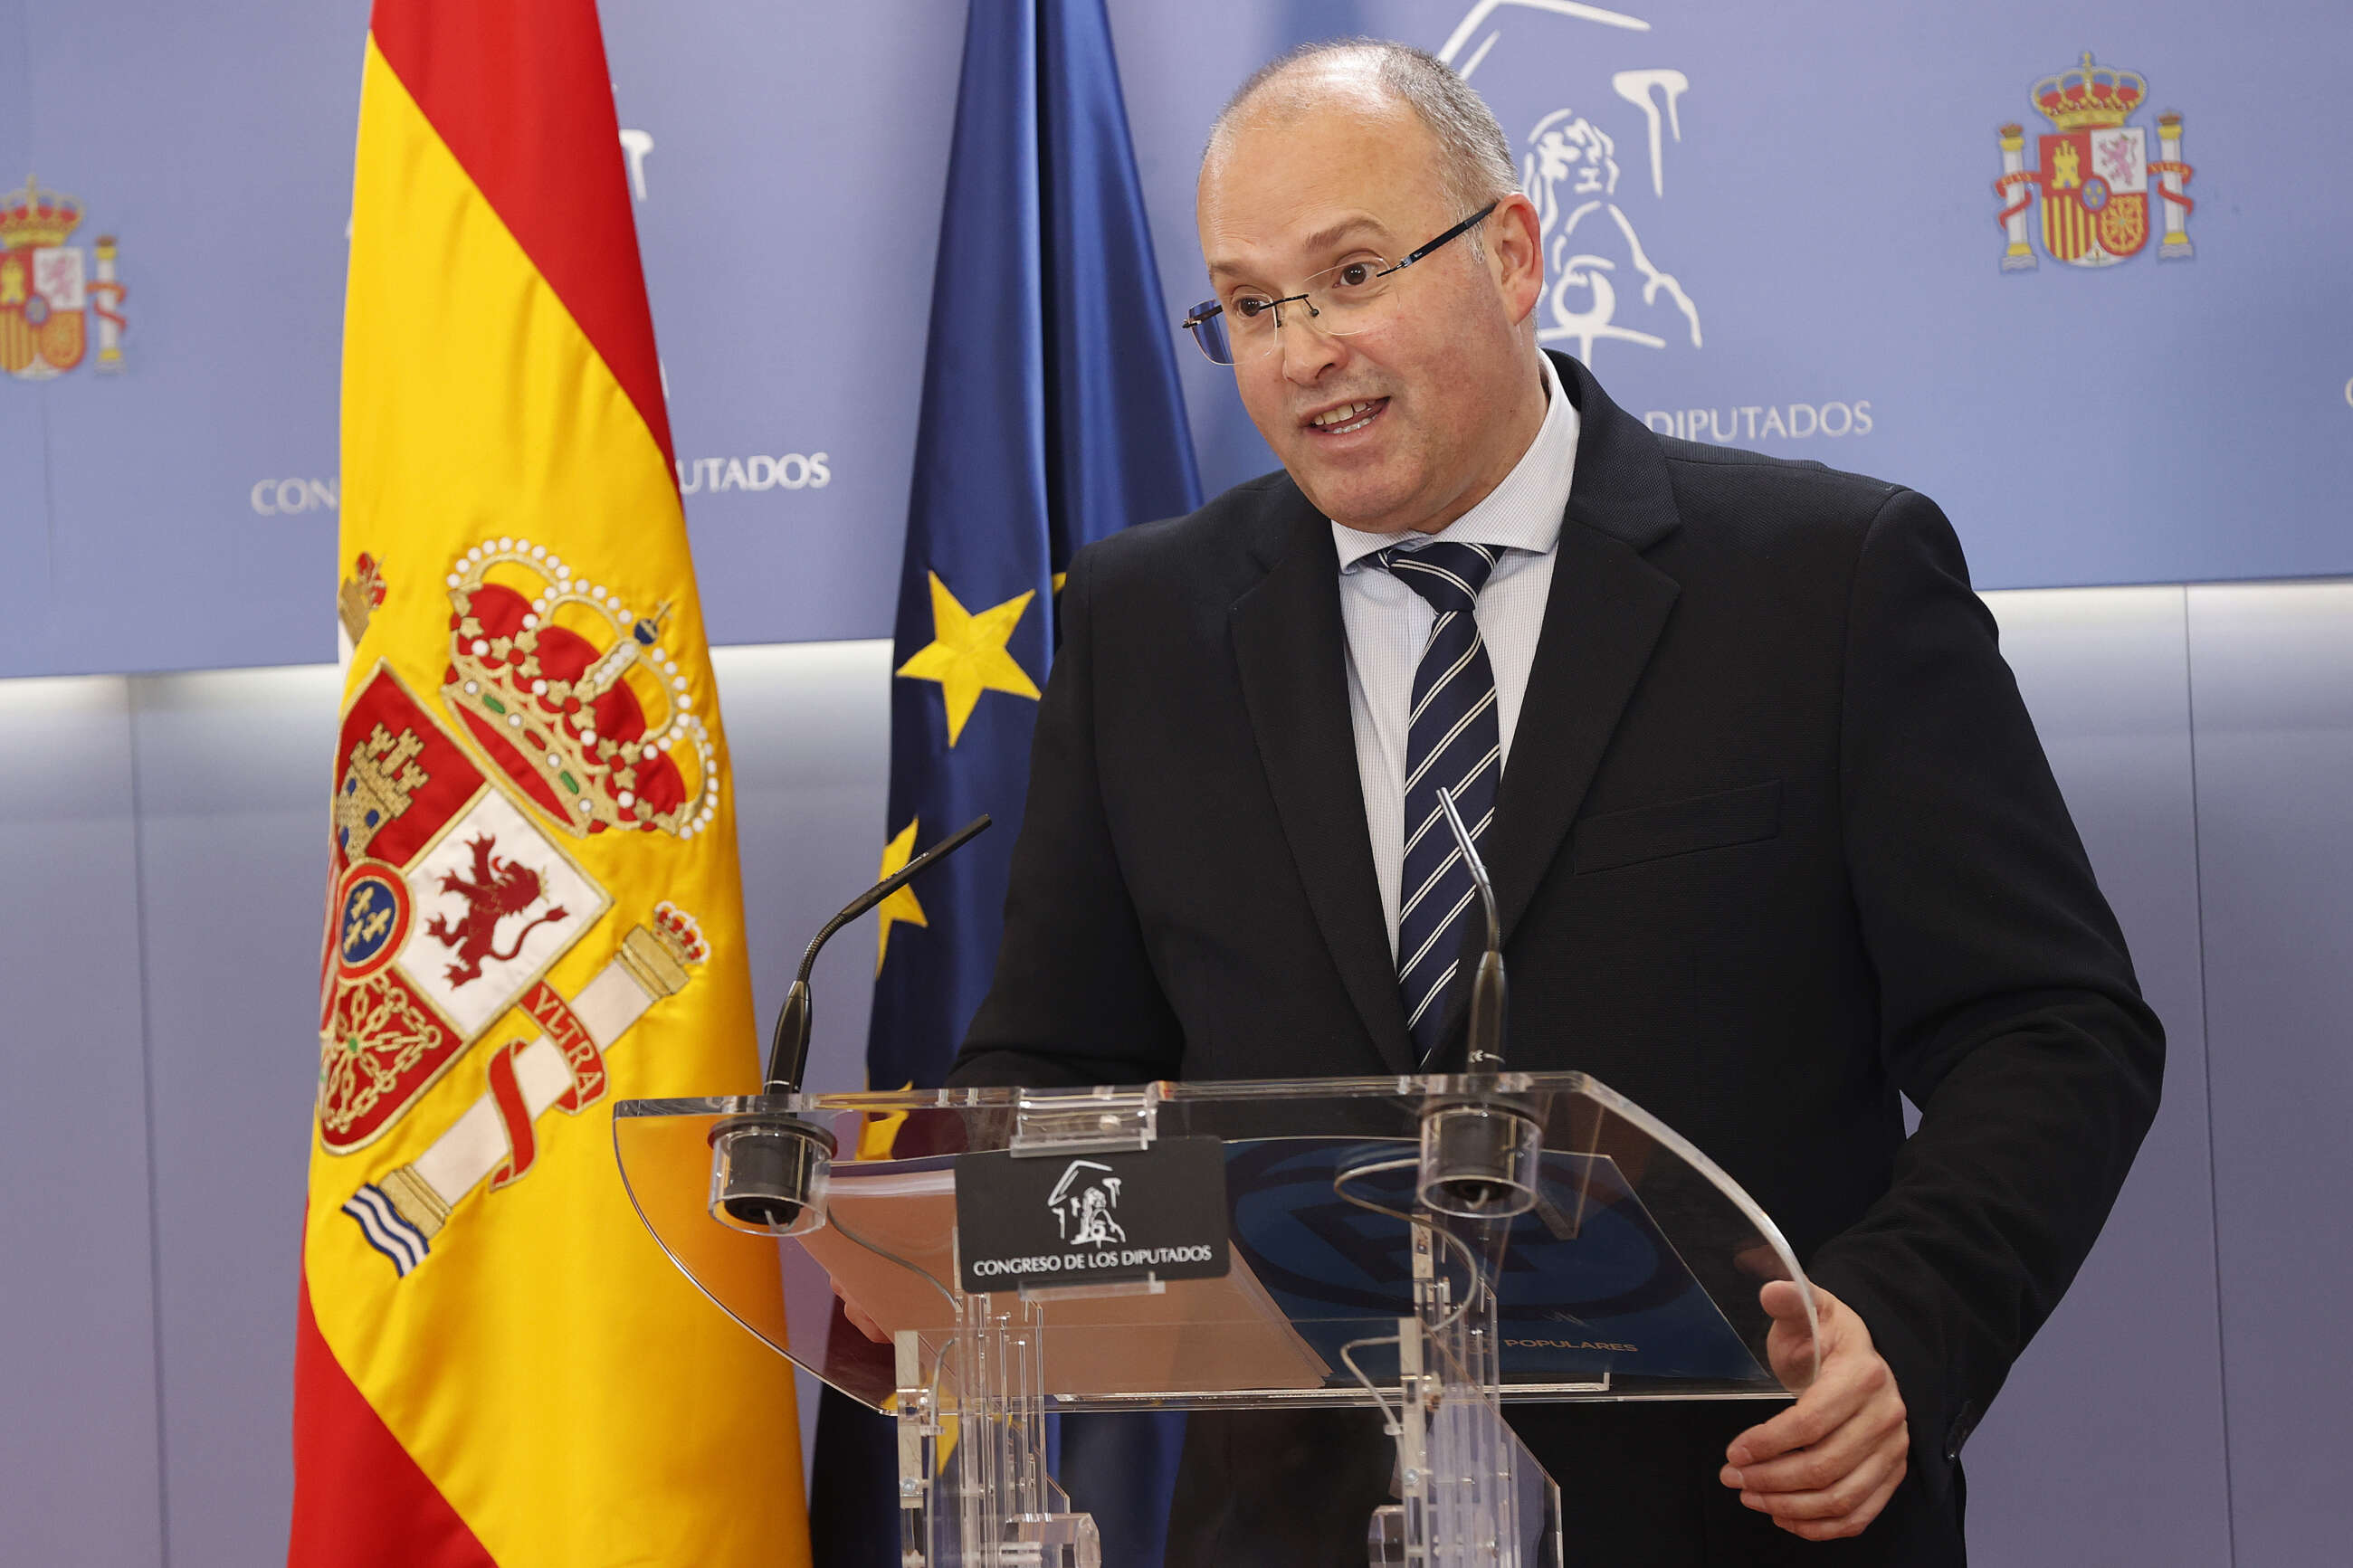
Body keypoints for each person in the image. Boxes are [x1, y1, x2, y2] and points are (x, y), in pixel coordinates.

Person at [948, 38, 2162, 1567]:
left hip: (1733, 1506)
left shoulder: (1825, 586)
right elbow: (1055, 1069)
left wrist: (1901, 1327)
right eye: (1251, 304)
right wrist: (969, 1249)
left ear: (1510, 255)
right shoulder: (1149, 625)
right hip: (1299, 1527)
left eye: (1354, 272)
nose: (1303, 347)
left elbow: (2052, 1029)